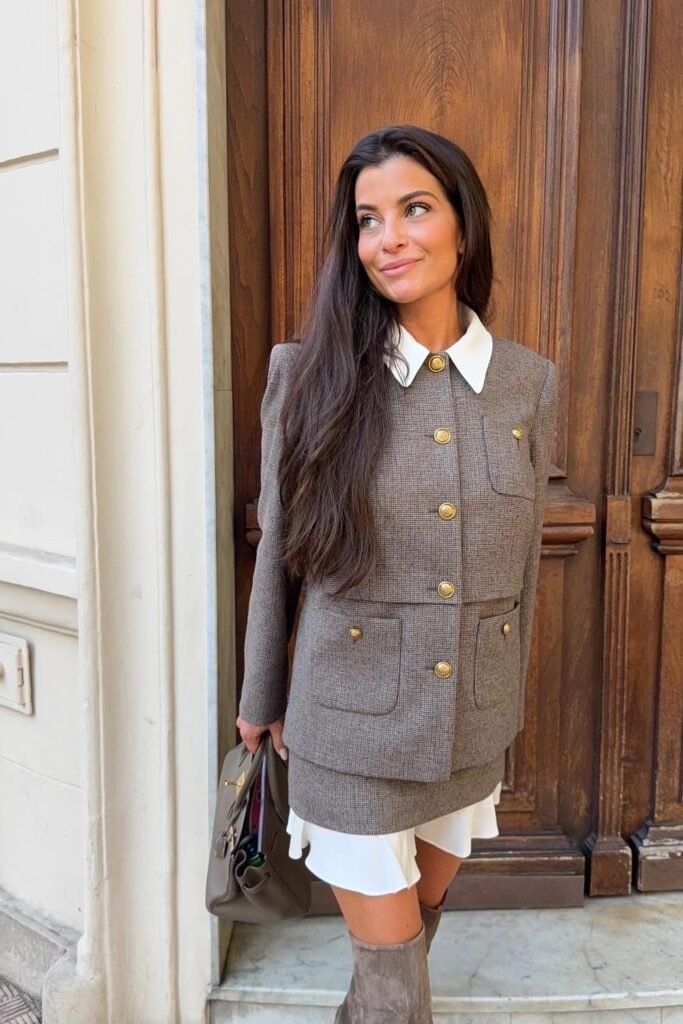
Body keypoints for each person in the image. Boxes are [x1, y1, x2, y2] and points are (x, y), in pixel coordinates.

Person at [236, 124, 558, 1023]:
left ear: (461, 224)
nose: (389, 239)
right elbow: (279, 555)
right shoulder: (307, 377)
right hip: (348, 728)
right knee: (392, 979)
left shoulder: (527, 384)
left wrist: (506, 715)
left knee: (406, 949)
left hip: (470, 728)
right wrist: (261, 697)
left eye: (414, 209)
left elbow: (524, 568)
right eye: (367, 220)